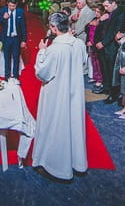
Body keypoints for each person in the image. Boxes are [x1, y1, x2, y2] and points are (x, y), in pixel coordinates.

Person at [32, 12, 87, 180]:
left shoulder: (54, 49)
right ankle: (76, 163)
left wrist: (41, 52)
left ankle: (55, 165)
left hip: (56, 94)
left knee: (55, 125)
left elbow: (43, 74)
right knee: (73, 125)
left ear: (55, 28)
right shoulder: (78, 44)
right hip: (74, 92)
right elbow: (84, 62)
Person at [96, 0, 125, 105]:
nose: (105, 8)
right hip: (104, 46)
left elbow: (115, 31)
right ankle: (106, 88)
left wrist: (103, 43)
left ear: (114, 3)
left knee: (112, 71)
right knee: (105, 69)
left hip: (111, 47)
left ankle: (114, 94)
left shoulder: (120, 14)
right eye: (104, 6)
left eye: (107, 5)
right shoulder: (107, 13)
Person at [0, 0, 27, 81]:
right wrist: (3, 18)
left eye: (13, 6)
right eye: (10, 5)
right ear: (7, 4)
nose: (11, 7)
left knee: (16, 58)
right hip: (6, 38)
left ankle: (16, 77)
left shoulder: (20, 12)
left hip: (16, 38)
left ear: (16, 5)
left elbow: (23, 27)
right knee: (7, 58)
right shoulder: (3, 10)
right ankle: (7, 77)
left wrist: (24, 40)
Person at [70, 0, 95, 75]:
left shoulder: (90, 12)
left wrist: (76, 32)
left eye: (79, 3)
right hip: (73, 35)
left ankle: (84, 70)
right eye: (77, 3)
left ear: (84, 4)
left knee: (83, 53)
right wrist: (72, 19)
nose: (77, 5)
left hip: (83, 36)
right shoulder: (76, 10)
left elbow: (85, 25)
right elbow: (69, 18)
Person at [86, 4, 106, 93]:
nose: (96, 13)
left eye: (98, 12)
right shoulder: (94, 19)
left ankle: (100, 80)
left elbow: (101, 34)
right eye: (96, 11)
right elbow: (86, 28)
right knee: (94, 63)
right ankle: (96, 77)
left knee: (99, 63)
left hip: (97, 45)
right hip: (91, 44)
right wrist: (90, 24)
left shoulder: (103, 21)